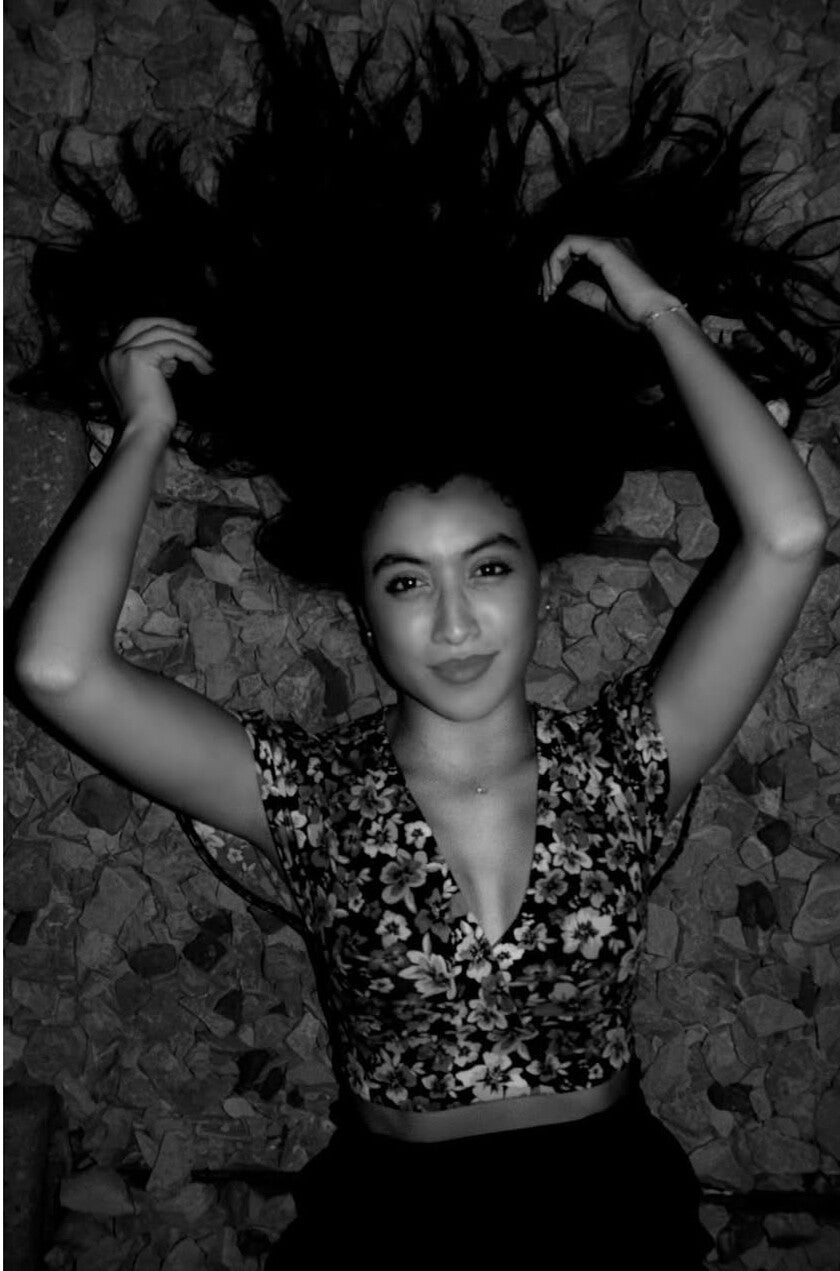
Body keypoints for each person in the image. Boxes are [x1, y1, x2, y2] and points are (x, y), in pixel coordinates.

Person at [11, 227, 831, 1267]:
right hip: (390, 1220)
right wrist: (144, 430)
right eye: (407, 580)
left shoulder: (627, 763)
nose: (453, 621)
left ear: (538, 584)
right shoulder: (306, 794)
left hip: (610, 1210)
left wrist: (656, 311)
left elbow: (789, 535)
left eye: (487, 569)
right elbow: (58, 670)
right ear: (366, 616)